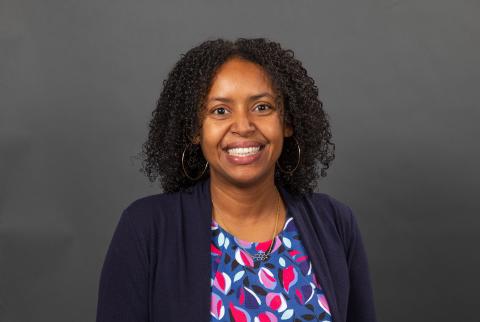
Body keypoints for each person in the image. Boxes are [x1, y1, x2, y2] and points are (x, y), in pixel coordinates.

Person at [96, 38, 377, 322]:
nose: (243, 126)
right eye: (220, 111)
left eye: (262, 107)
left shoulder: (335, 223)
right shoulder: (145, 228)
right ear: (196, 130)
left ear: (287, 122)